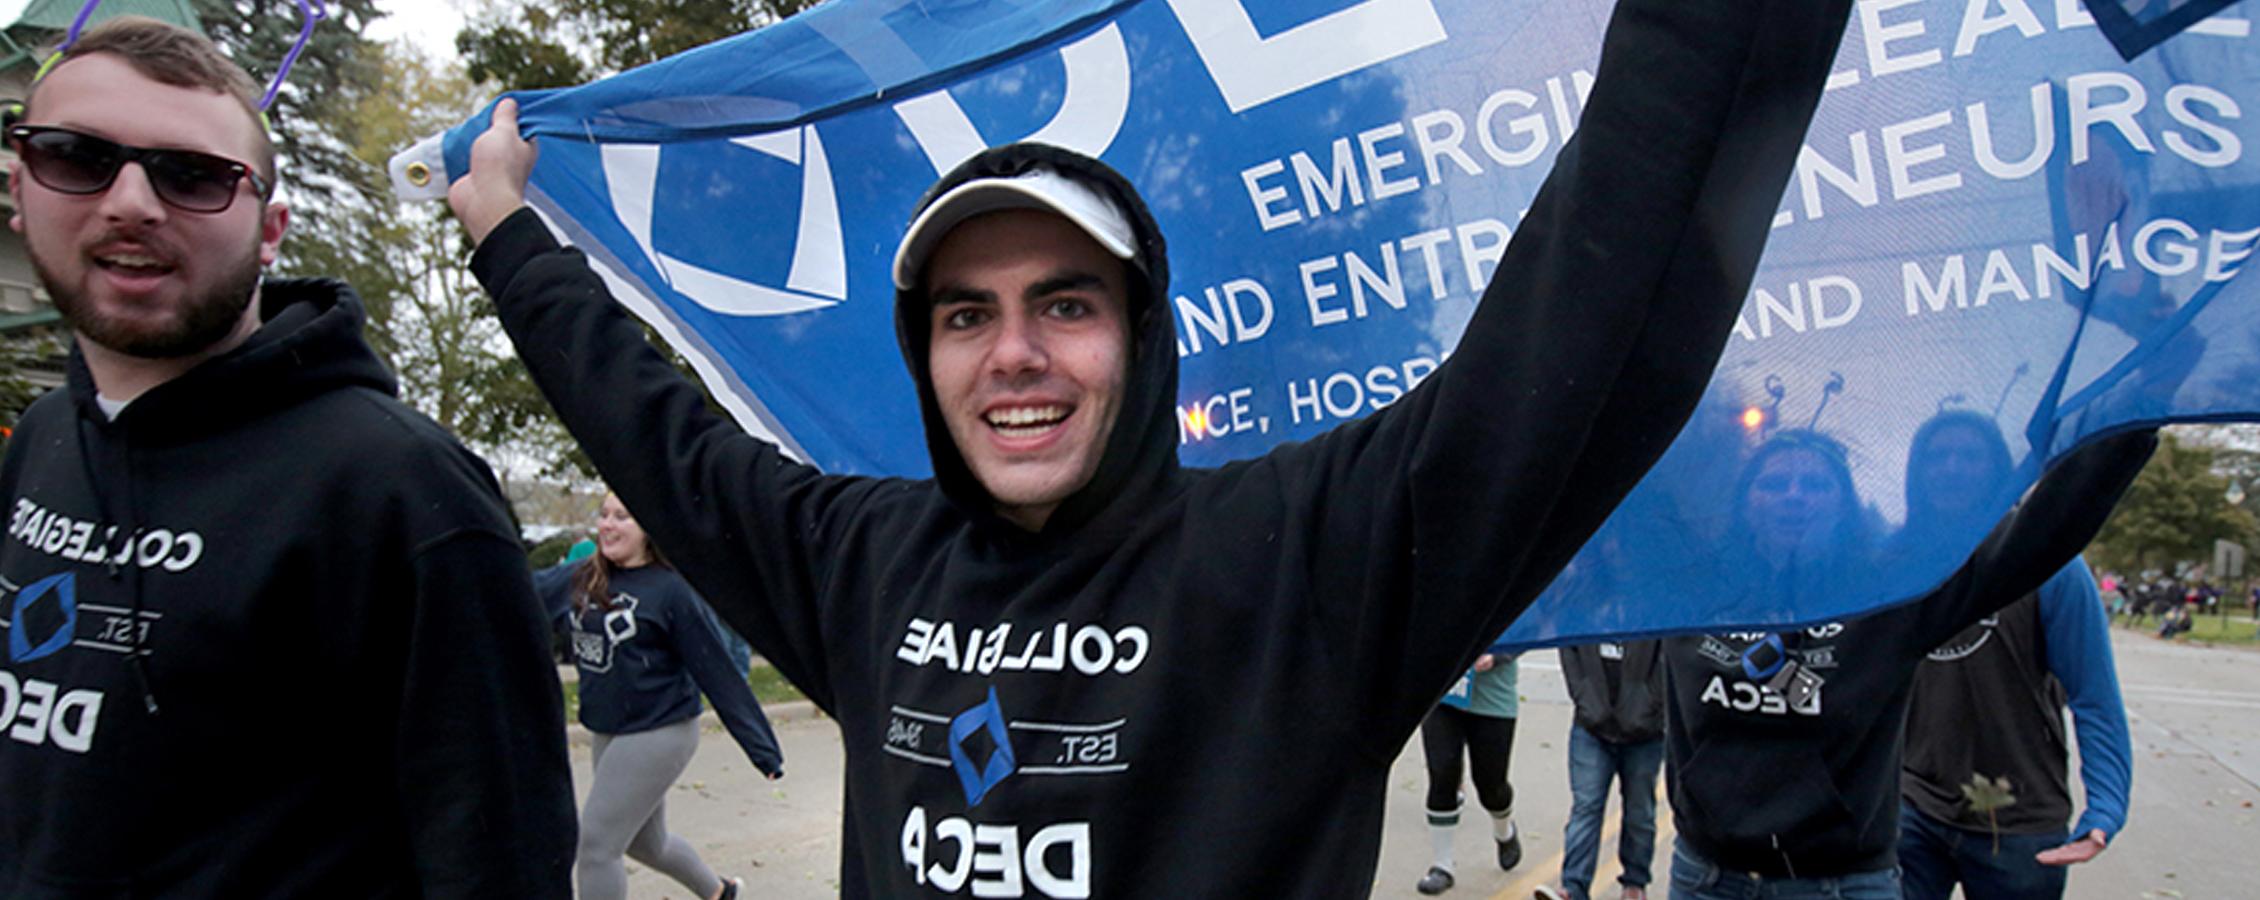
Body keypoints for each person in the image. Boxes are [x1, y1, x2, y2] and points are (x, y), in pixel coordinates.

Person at [450, 3, 1858, 894]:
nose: (1013, 354)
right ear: (926, 355)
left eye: (1066, 304)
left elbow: (1586, 330)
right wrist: (513, 238)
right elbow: (664, 435)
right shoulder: (860, 562)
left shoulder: (1314, 553)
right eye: (965, 314)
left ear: (1143, 336)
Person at [0, 17, 574, 896]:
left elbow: (501, 858)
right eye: (76, 156)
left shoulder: (401, 490)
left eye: (192, 174)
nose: (130, 202)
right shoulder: (40, 437)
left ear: (270, 230)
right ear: (19, 187)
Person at [1662, 427, 2153, 899]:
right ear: (1744, 501)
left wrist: (2134, 416)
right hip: (1706, 877)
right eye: (1773, 483)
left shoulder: (1891, 592)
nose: (1794, 495)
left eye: (1815, 484)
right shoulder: (1689, 590)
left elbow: (2041, 538)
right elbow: (1634, 497)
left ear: (1844, 504)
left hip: (1836, 882)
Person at [1896, 411, 2133, 900]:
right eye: (1937, 456)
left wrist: (2106, 806)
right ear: (1916, 473)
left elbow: (2094, 696)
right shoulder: (1893, 563)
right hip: (1910, 811)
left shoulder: (2050, 566)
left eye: (1970, 456)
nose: (1952, 468)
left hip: (2022, 821)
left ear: (2000, 470)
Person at [538, 493, 786, 900]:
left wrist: (762, 749)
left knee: (597, 846)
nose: (608, 525)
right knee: (644, 843)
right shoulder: (583, 576)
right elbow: (519, 590)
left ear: (649, 528)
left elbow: (717, 671)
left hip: (661, 730)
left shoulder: (671, 591)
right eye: (603, 515)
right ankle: (720, 892)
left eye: (622, 516)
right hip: (608, 726)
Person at [1536, 638, 1665, 900]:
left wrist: (1650, 704)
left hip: (1645, 731)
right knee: (1586, 806)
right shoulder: (1590, 603)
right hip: (1592, 725)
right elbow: (1570, 648)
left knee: (1639, 812)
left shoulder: (1652, 603)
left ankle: (1635, 882)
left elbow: (1668, 654)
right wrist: (1584, 697)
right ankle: (1573, 887)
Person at [1414, 642, 1523, 894]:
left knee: (1491, 787)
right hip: (1444, 691)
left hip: (1492, 695)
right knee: (1442, 774)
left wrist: (1497, 654)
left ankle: (1504, 830)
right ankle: (1442, 865)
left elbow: (1529, 624)